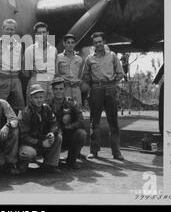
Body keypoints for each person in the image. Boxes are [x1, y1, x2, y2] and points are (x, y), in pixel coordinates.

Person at [82, 32, 125, 160]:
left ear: (104, 42)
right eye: (96, 42)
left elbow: (120, 73)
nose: (98, 44)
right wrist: (94, 84)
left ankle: (116, 152)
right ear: (93, 44)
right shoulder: (89, 59)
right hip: (96, 89)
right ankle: (94, 151)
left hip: (110, 88)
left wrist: (112, 83)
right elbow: (85, 75)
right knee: (94, 121)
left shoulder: (112, 56)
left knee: (113, 121)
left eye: (100, 41)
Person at [18, 84, 62, 173]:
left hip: (42, 140)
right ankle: (21, 165)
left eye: (41, 97)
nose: (39, 100)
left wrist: (52, 133)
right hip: (29, 144)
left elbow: (55, 124)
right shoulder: (26, 112)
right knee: (28, 153)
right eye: (36, 97)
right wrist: (41, 143)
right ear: (31, 98)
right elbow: (23, 136)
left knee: (58, 137)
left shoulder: (46, 108)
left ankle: (50, 165)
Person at [49, 77, 87, 169]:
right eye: (56, 89)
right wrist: (55, 132)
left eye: (61, 89)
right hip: (54, 137)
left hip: (68, 135)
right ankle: (50, 161)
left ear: (65, 90)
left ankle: (71, 161)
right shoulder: (48, 105)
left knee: (81, 134)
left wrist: (67, 128)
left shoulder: (72, 103)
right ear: (52, 90)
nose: (58, 91)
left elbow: (80, 121)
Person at [24, 22, 57, 105]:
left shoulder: (54, 49)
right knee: (35, 109)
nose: (42, 34)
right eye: (39, 33)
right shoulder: (29, 50)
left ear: (48, 33)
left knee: (50, 110)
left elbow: (56, 68)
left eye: (44, 32)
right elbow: (26, 72)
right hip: (37, 82)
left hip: (51, 83)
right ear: (36, 35)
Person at [55, 34, 83, 105]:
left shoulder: (79, 59)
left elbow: (80, 75)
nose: (70, 45)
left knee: (77, 111)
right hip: (64, 88)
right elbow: (56, 73)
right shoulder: (58, 57)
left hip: (76, 88)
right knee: (64, 111)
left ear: (75, 44)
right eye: (68, 42)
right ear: (64, 44)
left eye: (72, 42)